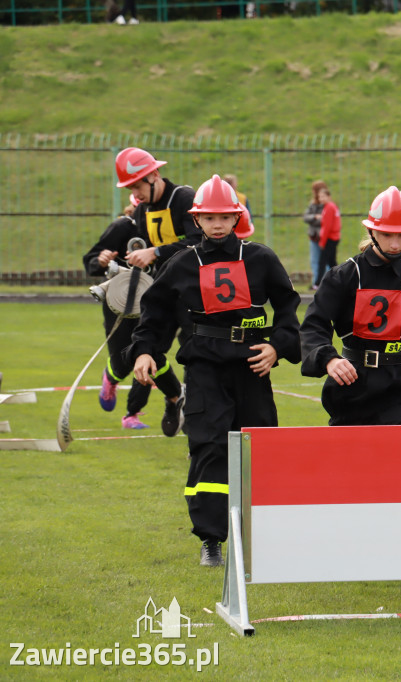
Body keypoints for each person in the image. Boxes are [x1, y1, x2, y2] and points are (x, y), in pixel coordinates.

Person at [128, 174, 301, 567]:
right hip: (204, 366)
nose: (218, 224)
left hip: (252, 366)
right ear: (197, 220)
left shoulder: (261, 258)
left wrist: (277, 346)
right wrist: (144, 352)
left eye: (225, 217)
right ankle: (211, 540)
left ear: (237, 217)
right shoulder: (182, 264)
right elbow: (154, 313)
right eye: (209, 218)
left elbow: (289, 307)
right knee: (208, 447)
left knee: (258, 447)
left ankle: (264, 533)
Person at [300, 186, 401, 428]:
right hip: (351, 388)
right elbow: (313, 325)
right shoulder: (343, 276)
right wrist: (329, 359)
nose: (395, 244)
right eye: (387, 235)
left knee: (400, 459)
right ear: (371, 231)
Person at [114, 146, 199, 434]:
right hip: (164, 293)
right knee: (146, 349)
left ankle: (195, 422)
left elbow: (201, 240)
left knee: (194, 355)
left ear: (154, 175)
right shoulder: (141, 210)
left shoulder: (184, 198)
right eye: (130, 187)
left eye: (137, 185)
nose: (135, 193)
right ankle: (176, 397)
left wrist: (157, 252)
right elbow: (140, 247)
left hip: (195, 294)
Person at [83, 199, 184, 431]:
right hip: (120, 301)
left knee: (150, 354)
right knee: (123, 360)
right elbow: (92, 258)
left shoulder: (169, 229)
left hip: (157, 301)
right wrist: (100, 260)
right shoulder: (123, 227)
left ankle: (134, 413)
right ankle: (111, 375)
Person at [303, 180, 328, 290]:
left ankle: (327, 282)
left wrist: (316, 219)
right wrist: (314, 217)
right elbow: (305, 217)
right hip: (314, 237)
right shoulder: (313, 204)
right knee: (314, 260)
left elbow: (326, 220)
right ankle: (316, 283)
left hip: (324, 237)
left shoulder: (327, 205)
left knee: (325, 261)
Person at [315, 187, 341, 287]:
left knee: (322, 261)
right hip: (333, 237)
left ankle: (317, 283)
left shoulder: (329, 207)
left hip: (329, 238)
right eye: (319, 197)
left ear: (328, 196)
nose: (321, 199)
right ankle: (338, 280)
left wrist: (322, 241)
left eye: (323, 196)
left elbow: (327, 226)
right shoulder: (331, 207)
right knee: (332, 262)